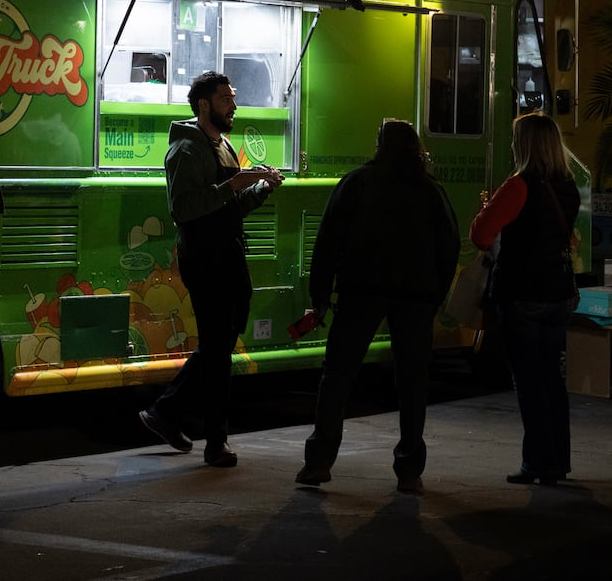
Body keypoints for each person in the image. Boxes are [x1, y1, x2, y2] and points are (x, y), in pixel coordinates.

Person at [294, 120, 458, 494]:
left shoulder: (356, 183)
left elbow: (328, 242)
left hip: (360, 294)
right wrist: (435, 296)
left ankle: (318, 462)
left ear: (379, 145)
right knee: (413, 383)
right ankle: (409, 470)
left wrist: (319, 296)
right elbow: (448, 246)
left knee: (338, 376)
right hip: (415, 298)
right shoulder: (430, 191)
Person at [139, 71, 283, 466]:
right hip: (205, 259)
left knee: (220, 343)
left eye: (232, 97)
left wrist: (259, 190)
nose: (233, 105)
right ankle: (215, 442)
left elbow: (228, 207)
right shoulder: (185, 151)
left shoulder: (223, 146)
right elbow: (184, 209)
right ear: (204, 106)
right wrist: (235, 186)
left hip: (230, 255)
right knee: (218, 351)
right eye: (225, 99)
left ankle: (165, 411)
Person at [468, 111, 582, 485]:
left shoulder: (518, 185)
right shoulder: (568, 186)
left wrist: (485, 211)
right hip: (559, 293)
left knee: (529, 382)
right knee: (551, 379)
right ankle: (557, 461)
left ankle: (538, 463)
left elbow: (481, 236)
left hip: (523, 294)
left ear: (525, 144)